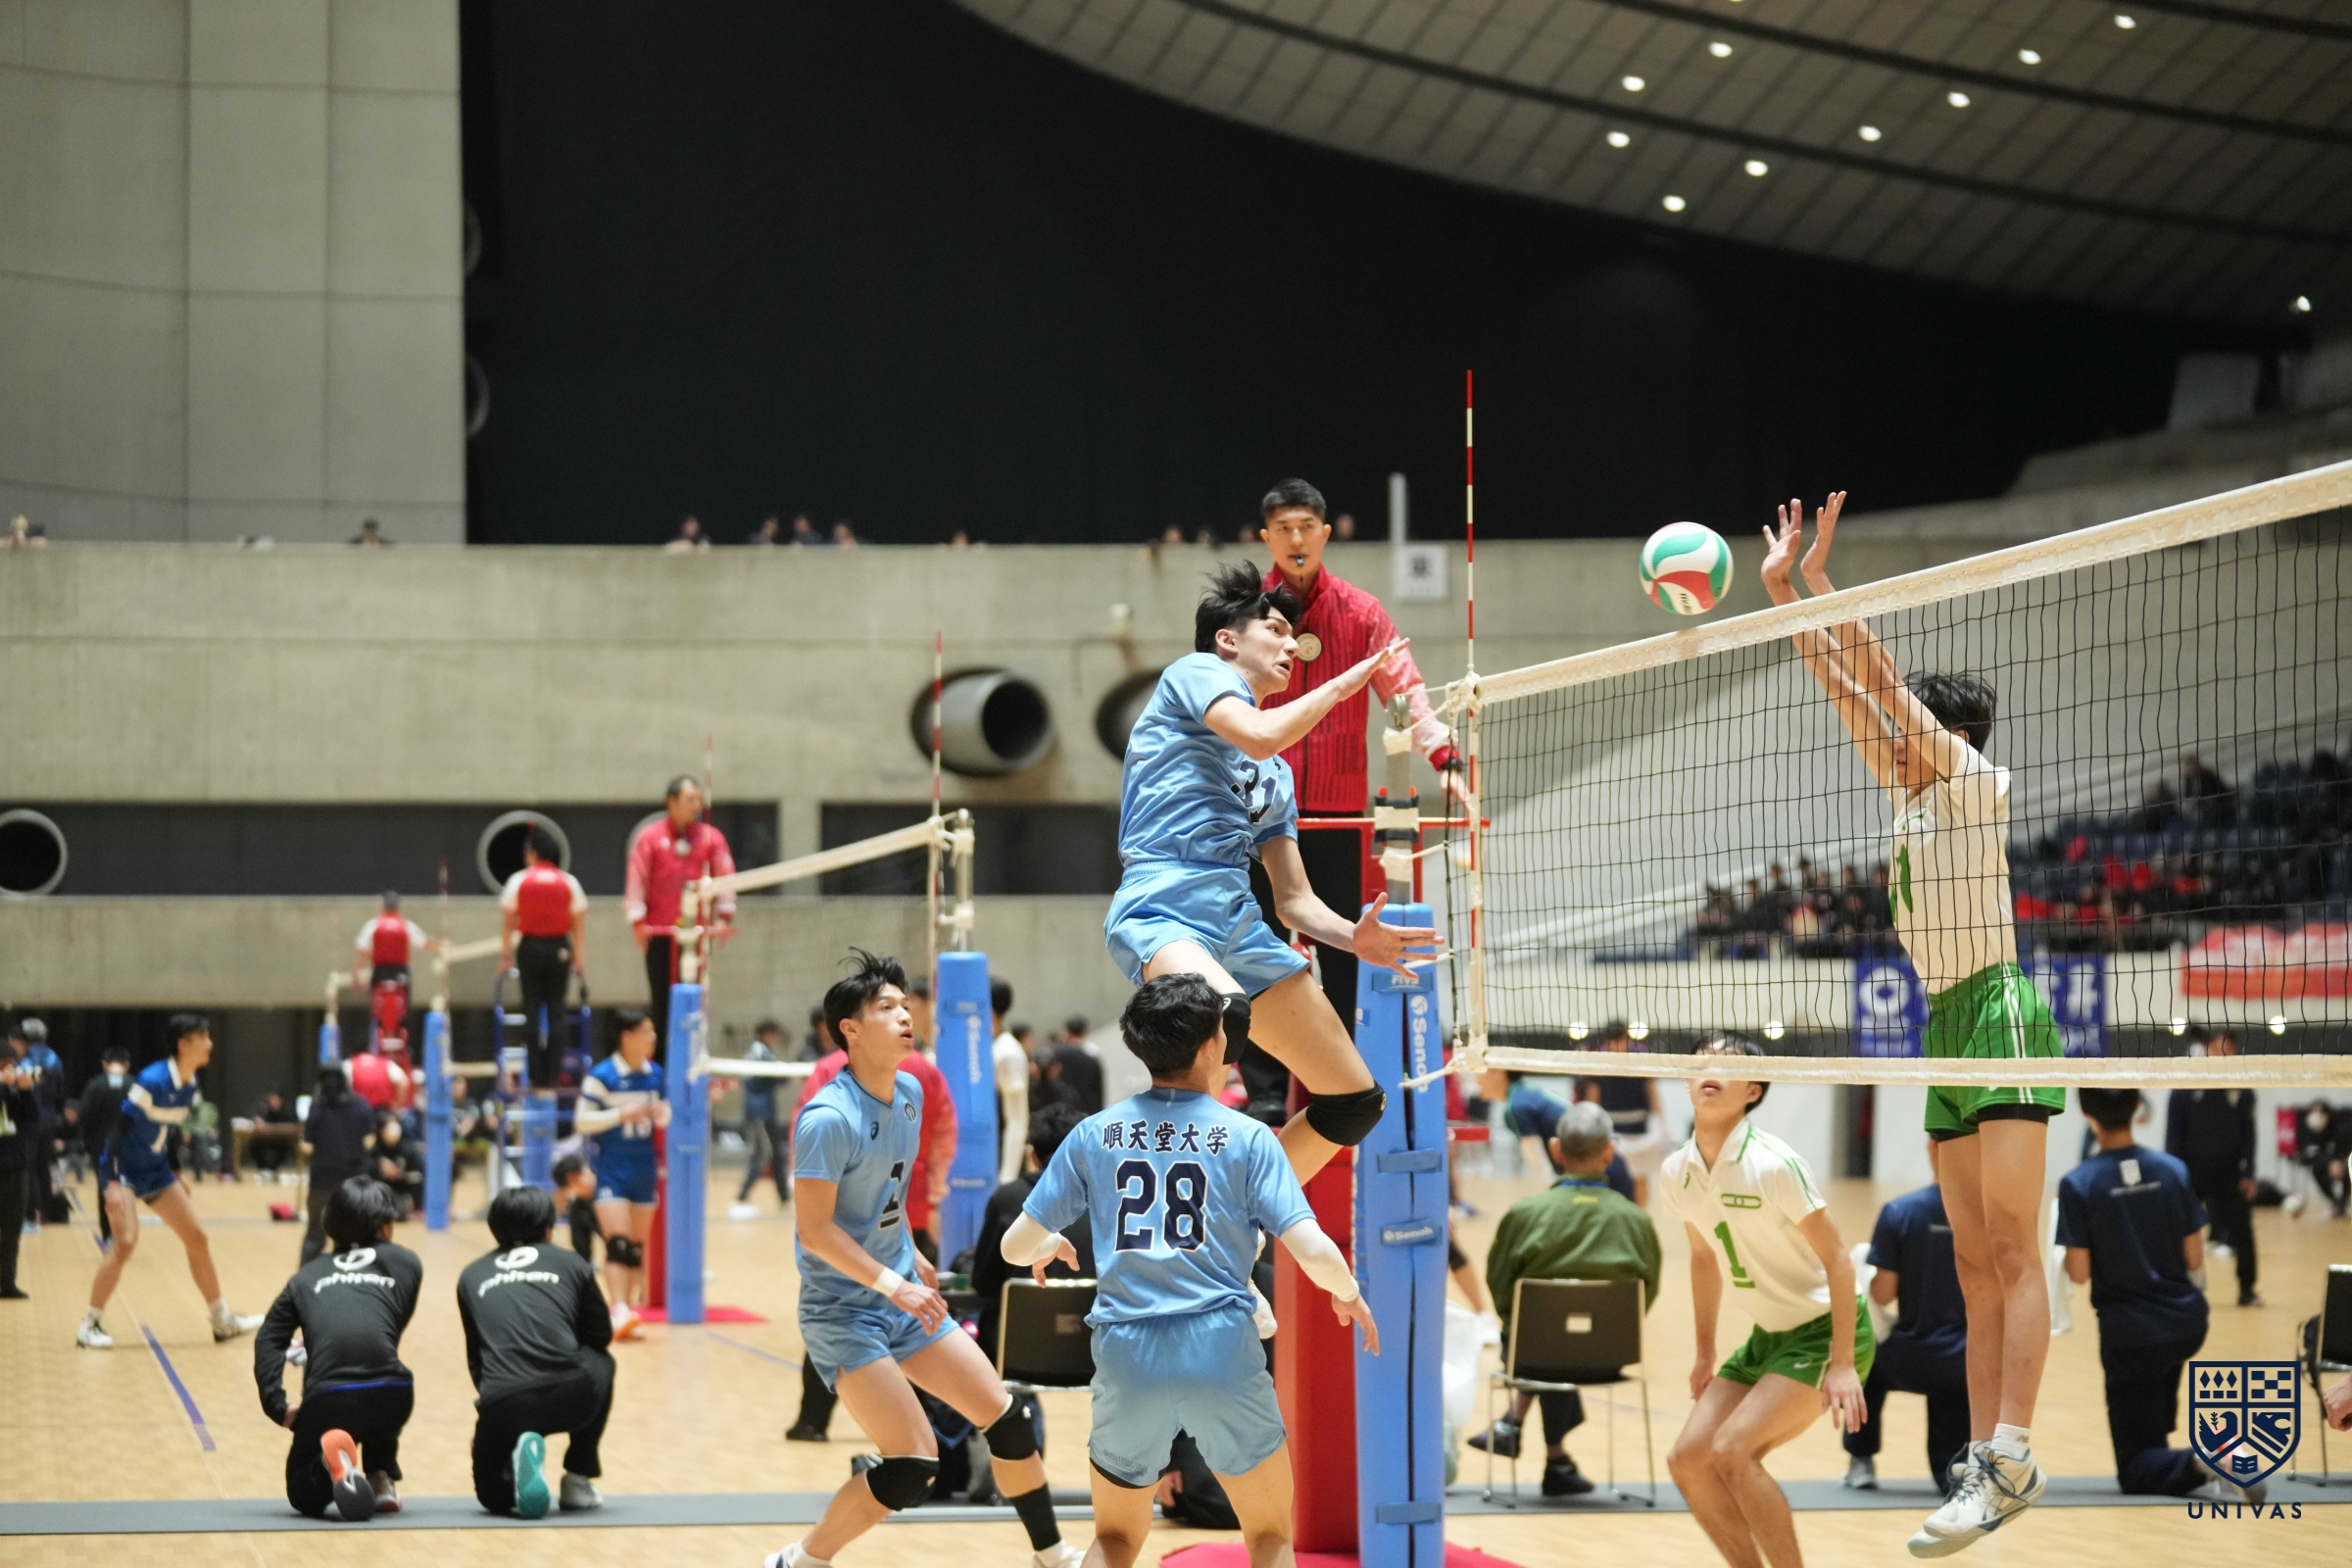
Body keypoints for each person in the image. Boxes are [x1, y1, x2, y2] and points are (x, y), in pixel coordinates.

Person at [1764, 495, 2057, 1554]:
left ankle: (2015, 1452)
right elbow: (1844, 688)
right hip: (1947, 1023)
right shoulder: (1913, 802)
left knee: (2015, 1250)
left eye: (1906, 732)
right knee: (1972, 1265)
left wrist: (1828, 584)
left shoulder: (1973, 783)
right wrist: (1783, 596)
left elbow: (1881, 684)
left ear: (1947, 738)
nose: (1885, 741)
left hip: (2001, 1008)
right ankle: (1984, 1463)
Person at [1000, 972, 1376, 1568]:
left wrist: (1046, 1243)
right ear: (1211, 1045)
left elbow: (1013, 1249)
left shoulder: (1095, 1134)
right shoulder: (1248, 1138)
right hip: (1219, 1348)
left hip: (1126, 1354)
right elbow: (1310, 1246)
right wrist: (1347, 1292)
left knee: (1115, 1539)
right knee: (1270, 1535)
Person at [1104, 561, 1432, 1185]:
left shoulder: (1276, 776)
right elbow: (1257, 734)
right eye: (1276, 631)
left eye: (1294, 636)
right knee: (1220, 1014)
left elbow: (1294, 902)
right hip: (1165, 904)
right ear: (1228, 639)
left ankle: (1242, 1212)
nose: (1291, 646)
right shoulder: (1196, 672)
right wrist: (1341, 686)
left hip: (1242, 924)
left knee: (1356, 1101)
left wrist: (1354, 939)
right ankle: (1153, 1185)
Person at [761, 950, 1080, 1568]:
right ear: (850, 1029)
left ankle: (1052, 1553)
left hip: (903, 1294)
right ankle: (800, 1559)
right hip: (845, 1313)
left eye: (906, 1006)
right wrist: (892, 1282)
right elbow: (815, 1232)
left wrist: (910, 1254)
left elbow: (888, 1194)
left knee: (1008, 1420)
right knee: (912, 1463)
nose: (906, 1016)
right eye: (887, 1008)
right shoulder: (827, 1119)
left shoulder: (910, 1091)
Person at [1243, 479, 1462, 1121]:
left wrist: (1445, 759)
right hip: (1255, 814)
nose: (1296, 538)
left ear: (1325, 533)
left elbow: (1405, 689)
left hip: (1336, 816)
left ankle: (1337, 1085)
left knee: (1344, 949)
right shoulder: (1244, 614)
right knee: (1255, 947)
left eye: (1306, 526)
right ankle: (1261, 1091)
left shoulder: (1362, 613)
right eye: (1284, 528)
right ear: (1267, 538)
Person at [1662, 1035, 1871, 1568]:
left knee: (1733, 1451)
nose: (1712, 1070)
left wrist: (1842, 1363)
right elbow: (1703, 1258)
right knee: (1688, 1460)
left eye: (1729, 1065)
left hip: (1822, 1331)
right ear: (1686, 1079)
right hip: (1767, 1337)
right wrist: (1705, 1352)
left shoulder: (1774, 1164)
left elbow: (1839, 1260)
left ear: (1753, 1091)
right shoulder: (1677, 1172)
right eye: (1703, 1061)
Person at [2059, 1087, 2266, 1502]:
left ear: (2085, 1114)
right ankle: (2190, 1462)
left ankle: (2209, 1459)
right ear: (2138, 1107)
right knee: (2151, 1425)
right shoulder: (2173, 1170)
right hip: (2185, 1323)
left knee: (2135, 1468)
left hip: (2131, 1334)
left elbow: (2078, 1275)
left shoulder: (2079, 1182)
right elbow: (2194, 1258)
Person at [1472, 1100, 1661, 1496]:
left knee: (1542, 1336)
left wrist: (1523, 1326)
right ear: (1610, 1152)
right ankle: (1554, 1460)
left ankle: (1517, 1428)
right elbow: (1647, 1291)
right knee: (1563, 1339)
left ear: (1555, 1149)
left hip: (1532, 1352)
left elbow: (1499, 1283)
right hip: (1610, 1353)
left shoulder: (1525, 1214)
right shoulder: (1637, 1220)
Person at [79, 1013, 266, 1348]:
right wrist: (113, 1183)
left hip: (156, 1171)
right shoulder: (153, 1080)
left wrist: (177, 1172)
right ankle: (89, 1325)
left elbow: (169, 1129)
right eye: (203, 1037)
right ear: (184, 1044)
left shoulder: (190, 1084)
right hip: (124, 1172)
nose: (210, 1044)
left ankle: (221, 1321)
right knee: (125, 1242)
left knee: (197, 1238)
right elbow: (117, 1131)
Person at [253, 1177, 421, 1521]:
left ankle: (330, 1467)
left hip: (329, 1397)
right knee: (379, 1374)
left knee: (302, 1493)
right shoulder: (407, 1263)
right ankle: (380, 1476)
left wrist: (277, 1404)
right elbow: (380, 1331)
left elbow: (269, 1338)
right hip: (394, 1393)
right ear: (385, 1227)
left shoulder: (307, 1275)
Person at [457, 1185, 614, 1518]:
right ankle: (577, 1478)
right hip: (571, 1395)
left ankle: (517, 1462)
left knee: (493, 1499)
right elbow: (601, 1336)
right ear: (547, 1227)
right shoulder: (572, 1262)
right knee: (602, 1361)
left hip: (503, 1401)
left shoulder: (471, 1275)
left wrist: (491, 1416)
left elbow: (477, 1358)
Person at [1843, 1175, 1971, 1495]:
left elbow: (1883, 1294)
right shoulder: (1985, 1213)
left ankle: (1860, 1460)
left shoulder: (1900, 1211)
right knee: (1959, 1386)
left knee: (1865, 1365)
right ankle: (1953, 1473)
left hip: (1910, 1357)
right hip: (1965, 1359)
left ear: (1933, 1150)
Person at [798, 1016, 958, 1263]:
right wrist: (935, 1183)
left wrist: (807, 1188)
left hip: (850, 1208)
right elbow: (944, 1131)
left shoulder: (829, 1068)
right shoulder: (924, 1069)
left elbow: (805, 1139)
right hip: (911, 1194)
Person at [624, 775, 736, 1059]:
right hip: (660, 933)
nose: (697, 805)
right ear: (671, 801)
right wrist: (637, 921)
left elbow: (726, 877)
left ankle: (694, 1060)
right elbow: (637, 877)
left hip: (698, 935)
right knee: (662, 1000)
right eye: (690, 799)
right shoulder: (650, 837)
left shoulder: (711, 838)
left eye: (699, 799)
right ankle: (663, 1065)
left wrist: (724, 917)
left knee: (696, 1000)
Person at [971, 1102, 1093, 1359]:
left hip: (1016, 1357)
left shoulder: (1006, 1198)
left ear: (1033, 1156)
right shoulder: (1110, 1197)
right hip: (1094, 1357)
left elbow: (983, 1283)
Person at [575, 1008, 668, 1339]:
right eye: (647, 1032)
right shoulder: (602, 1076)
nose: (653, 1038)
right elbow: (582, 1121)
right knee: (617, 1242)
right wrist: (619, 1115)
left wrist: (660, 1114)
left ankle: (627, 1312)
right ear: (627, 1036)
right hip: (612, 1169)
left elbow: (666, 1117)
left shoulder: (656, 1075)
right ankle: (617, 1309)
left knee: (635, 1248)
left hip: (644, 1168)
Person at [2164, 1031, 2260, 1307]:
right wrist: (2173, 1175)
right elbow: (2173, 1136)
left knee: (2243, 1230)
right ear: (2205, 1050)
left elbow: (2250, 1135)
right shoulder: (2185, 1088)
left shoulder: (2241, 1091)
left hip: (2229, 1172)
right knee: (2178, 1230)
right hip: (2190, 1172)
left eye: (2227, 1050)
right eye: (2216, 1049)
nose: (2221, 1055)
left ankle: (2247, 1289)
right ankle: (2177, 1287)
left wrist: (2249, 1174)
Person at [500, 828, 587, 1093]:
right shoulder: (569, 882)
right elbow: (578, 925)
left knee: (532, 1010)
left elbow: (508, 922)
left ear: (532, 853)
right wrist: (578, 958)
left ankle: (536, 1076)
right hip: (559, 948)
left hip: (529, 947)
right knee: (557, 1011)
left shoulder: (519, 880)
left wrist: (505, 956)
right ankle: (553, 1075)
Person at [1577, 1020, 1668, 1203]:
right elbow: (1593, 1095)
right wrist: (1588, 1123)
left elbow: (1652, 1090)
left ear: (1627, 1038)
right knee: (1611, 1176)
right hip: (1611, 1130)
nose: (1618, 1046)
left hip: (1639, 1129)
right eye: (1614, 1041)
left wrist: (1661, 1121)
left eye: (1621, 1040)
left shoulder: (1642, 1056)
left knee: (1640, 1177)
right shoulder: (1599, 1058)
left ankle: (1640, 1215)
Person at [301, 1067, 378, 1262]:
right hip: (353, 1186)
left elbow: (307, 1143)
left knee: (315, 1237)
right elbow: (370, 1139)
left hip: (321, 1184)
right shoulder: (361, 1106)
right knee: (351, 1240)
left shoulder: (317, 1108)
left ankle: (304, 1279)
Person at [353, 893, 432, 1057]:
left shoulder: (373, 925)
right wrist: (442, 944)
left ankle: (374, 1043)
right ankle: (406, 1046)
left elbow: (362, 951)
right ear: (398, 908)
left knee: (376, 1014)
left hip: (380, 974)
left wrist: (356, 975)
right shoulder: (406, 926)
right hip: (400, 974)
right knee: (405, 1014)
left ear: (382, 907)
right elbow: (424, 943)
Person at [731, 1019, 793, 1213]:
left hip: (766, 1112)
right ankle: (741, 1197)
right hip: (760, 1113)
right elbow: (777, 1076)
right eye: (774, 1033)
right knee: (763, 1154)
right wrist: (790, 1074)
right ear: (766, 1033)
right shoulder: (760, 1052)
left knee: (777, 1155)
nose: (777, 1038)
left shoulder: (759, 1051)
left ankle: (784, 1197)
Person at [12, 1018, 66, 1225]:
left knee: (28, 1167)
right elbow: (59, 1086)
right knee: (43, 1166)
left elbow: (21, 1084)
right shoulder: (54, 1057)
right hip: (49, 1119)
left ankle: (31, 1212)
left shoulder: (25, 1059)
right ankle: (45, 1211)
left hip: (29, 1119)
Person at [0, 1035, 35, 1298]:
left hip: (14, 1167)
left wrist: (25, 1091)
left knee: (12, 1230)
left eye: (11, 1065)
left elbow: (31, 1122)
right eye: (2, 1065)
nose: (8, 1070)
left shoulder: (12, 1090)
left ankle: (7, 1283)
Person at [991, 981, 1029, 1186]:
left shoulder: (1007, 1052)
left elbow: (1017, 1120)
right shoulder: (988, 1045)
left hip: (999, 1168)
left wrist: (1007, 1178)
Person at [551, 1154, 603, 1261]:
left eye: (586, 1172)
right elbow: (582, 1254)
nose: (589, 1178)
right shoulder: (578, 1210)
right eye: (578, 1177)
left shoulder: (611, 1196)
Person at [369, 1117, 423, 1219]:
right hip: (377, 1194)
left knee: (400, 1208)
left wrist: (417, 1205)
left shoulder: (408, 1150)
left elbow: (416, 1177)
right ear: (381, 1131)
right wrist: (378, 1167)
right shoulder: (373, 1151)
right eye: (388, 1127)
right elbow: (364, 1170)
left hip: (400, 1194)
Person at [1051, 1017, 1103, 1117]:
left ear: (1067, 1032)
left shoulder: (1057, 1054)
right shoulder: (1092, 1052)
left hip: (1066, 1110)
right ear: (1084, 1031)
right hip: (1090, 1108)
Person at [247, 1089, 298, 1176]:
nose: (273, 1101)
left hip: (281, 1140)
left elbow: (295, 1124)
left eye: (275, 1099)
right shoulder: (263, 1108)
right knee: (253, 1145)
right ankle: (263, 1169)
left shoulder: (287, 1110)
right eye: (271, 1099)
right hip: (264, 1139)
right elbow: (253, 1115)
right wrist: (257, 1120)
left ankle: (274, 1169)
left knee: (289, 1146)